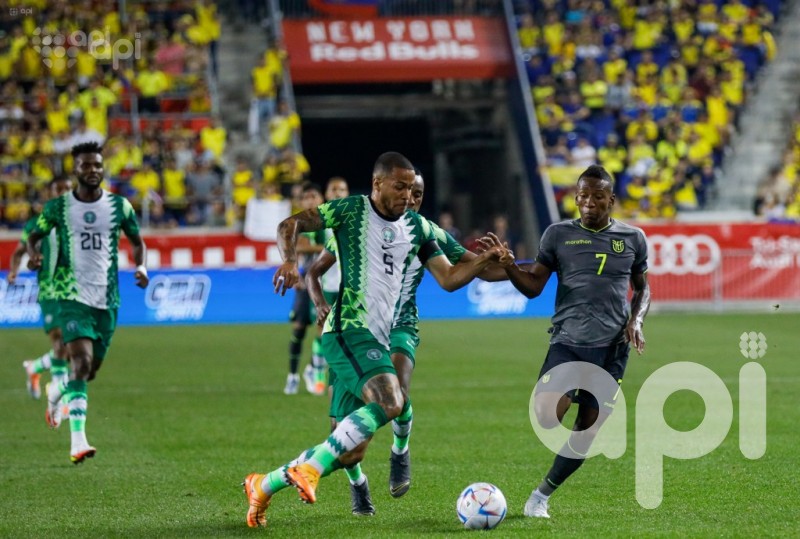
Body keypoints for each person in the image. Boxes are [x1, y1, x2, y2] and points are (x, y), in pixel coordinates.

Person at [242, 151, 509, 527]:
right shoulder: (350, 211)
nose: (407, 194)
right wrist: (288, 261)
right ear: (377, 184)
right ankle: (314, 469)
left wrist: (497, 262)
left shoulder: (419, 228)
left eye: (413, 188)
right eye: (399, 187)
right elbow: (290, 225)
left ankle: (263, 485)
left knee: (349, 451)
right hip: (348, 329)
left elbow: (450, 278)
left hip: (383, 337)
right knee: (392, 399)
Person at [305, 170, 510, 515]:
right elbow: (314, 270)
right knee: (345, 439)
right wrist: (320, 302)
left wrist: (528, 269)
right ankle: (358, 483)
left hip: (401, 324)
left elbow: (475, 267)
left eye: (417, 195)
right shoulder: (359, 224)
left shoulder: (425, 231)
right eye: (405, 191)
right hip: (356, 327)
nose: (410, 199)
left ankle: (400, 450)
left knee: (396, 392)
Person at [500, 165, 650, 518]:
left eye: (597, 197)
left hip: (612, 349)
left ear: (610, 200)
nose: (589, 203)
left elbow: (642, 288)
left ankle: (541, 496)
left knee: (586, 431)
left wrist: (637, 320)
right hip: (568, 342)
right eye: (583, 196)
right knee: (547, 416)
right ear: (576, 197)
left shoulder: (633, 239)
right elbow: (534, 286)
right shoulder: (557, 235)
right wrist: (510, 267)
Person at [26, 142, 149, 464]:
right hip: (70, 295)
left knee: (90, 371)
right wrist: (34, 254)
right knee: (79, 362)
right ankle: (78, 442)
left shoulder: (119, 206)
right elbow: (33, 236)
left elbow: (137, 241)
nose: (92, 170)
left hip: (107, 299)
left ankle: (57, 391)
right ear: (75, 169)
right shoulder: (58, 207)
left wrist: (141, 266)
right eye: (85, 165)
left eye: (97, 165)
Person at [9, 177, 74, 402]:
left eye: (68, 189)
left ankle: (36, 367)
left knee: (70, 345)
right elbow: (20, 253)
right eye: (59, 189)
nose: (64, 193)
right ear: (49, 194)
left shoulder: (77, 222)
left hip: (74, 289)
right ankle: (58, 399)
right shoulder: (36, 224)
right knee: (59, 339)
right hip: (49, 288)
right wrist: (15, 271)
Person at [303, 177, 351, 396]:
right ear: (327, 194)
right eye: (334, 189)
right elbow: (302, 244)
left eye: (342, 189)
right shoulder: (320, 218)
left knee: (347, 334)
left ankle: (337, 377)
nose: (338, 193)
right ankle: (317, 371)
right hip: (325, 286)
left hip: (350, 286)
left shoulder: (355, 219)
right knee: (324, 332)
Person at [283, 182, 326, 395]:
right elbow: (298, 246)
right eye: (306, 197)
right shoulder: (298, 223)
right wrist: (326, 248)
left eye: (313, 196)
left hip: (325, 284)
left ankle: (313, 368)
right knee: (299, 329)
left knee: (323, 330)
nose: (310, 200)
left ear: (321, 199)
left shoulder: (328, 221)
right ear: (301, 202)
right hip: (304, 284)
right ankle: (292, 376)